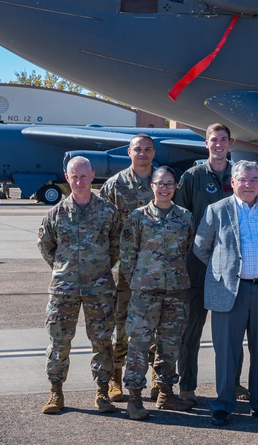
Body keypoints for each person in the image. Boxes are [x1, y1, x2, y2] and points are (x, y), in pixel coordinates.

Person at [194, 160, 258, 427]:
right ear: (233, 182)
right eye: (243, 180)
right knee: (226, 352)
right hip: (229, 292)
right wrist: (225, 270)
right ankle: (223, 404)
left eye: (253, 180)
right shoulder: (217, 210)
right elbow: (201, 247)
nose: (248, 184)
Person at [37, 156, 121, 415]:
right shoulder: (56, 213)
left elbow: (116, 247)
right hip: (64, 289)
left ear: (92, 176)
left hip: (100, 289)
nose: (80, 181)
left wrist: (98, 269)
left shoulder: (108, 212)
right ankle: (56, 392)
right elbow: (46, 246)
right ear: (67, 178)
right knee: (59, 342)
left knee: (102, 342)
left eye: (84, 176)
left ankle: (102, 392)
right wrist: (65, 269)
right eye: (75, 176)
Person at [119, 166, 195, 419]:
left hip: (176, 291)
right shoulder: (138, 217)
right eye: (160, 183)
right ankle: (134, 399)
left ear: (175, 187)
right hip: (145, 293)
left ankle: (165, 393)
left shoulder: (185, 217)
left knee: (170, 345)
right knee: (138, 345)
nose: (165, 188)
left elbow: (187, 249)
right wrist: (140, 281)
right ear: (152, 186)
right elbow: (128, 256)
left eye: (170, 183)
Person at [175, 123, 237, 404]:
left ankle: (232, 384)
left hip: (233, 265)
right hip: (198, 262)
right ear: (206, 143)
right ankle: (187, 387)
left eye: (224, 140)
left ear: (230, 143)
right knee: (192, 328)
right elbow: (181, 218)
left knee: (232, 330)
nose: (219, 144)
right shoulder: (193, 177)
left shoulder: (239, 175)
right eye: (214, 140)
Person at [98, 134, 155, 403]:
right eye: (137, 149)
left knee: (156, 324)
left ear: (153, 153)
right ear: (129, 153)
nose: (142, 153)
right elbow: (102, 226)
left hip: (157, 267)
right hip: (124, 270)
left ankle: (158, 379)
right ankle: (115, 380)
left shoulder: (163, 181)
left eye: (147, 149)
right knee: (120, 324)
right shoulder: (114, 185)